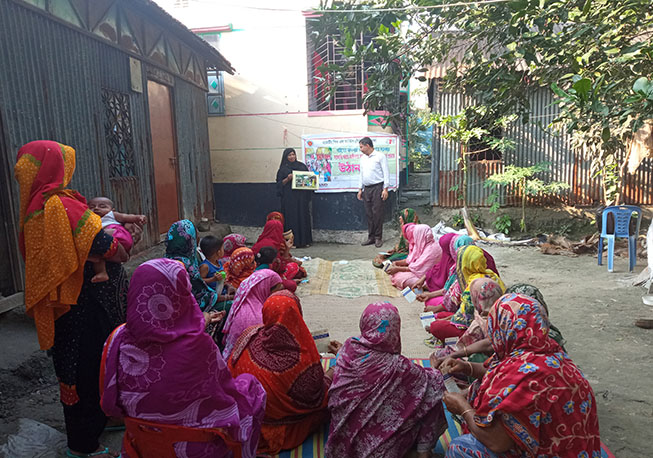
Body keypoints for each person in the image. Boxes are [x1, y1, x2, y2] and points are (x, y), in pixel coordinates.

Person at [15, 140, 129, 458]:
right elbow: (112, 249)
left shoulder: (33, 212)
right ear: (55, 168)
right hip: (85, 305)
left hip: (66, 305)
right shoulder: (62, 206)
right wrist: (119, 247)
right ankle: (83, 444)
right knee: (88, 367)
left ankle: (95, 424)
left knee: (73, 366)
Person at [100, 259, 266, 458]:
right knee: (253, 389)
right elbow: (225, 398)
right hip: (194, 448)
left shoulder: (117, 339)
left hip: (142, 444)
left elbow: (110, 405)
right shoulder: (198, 346)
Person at [442, 293, 601, 457]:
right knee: (479, 386)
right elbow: (498, 373)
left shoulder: (526, 373)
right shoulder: (551, 353)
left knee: (461, 448)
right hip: (576, 448)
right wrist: (467, 367)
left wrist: (463, 408)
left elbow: (497, 442)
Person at [326, 302, 447, 458]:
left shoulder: (349, 348)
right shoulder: (400, 367)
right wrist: (436, 368)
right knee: (432, 389)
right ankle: (423, 452)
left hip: (343, 445)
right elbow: (434, 382)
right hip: (381, 451)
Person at [228, 293, 331, 454]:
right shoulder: (303, 359)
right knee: (333, 386)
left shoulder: (249, 335)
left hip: (248, 419)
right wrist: (332, 372)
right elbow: (315, 398)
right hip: (288, 427)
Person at [428, 245, 505, 343]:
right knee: (441, 316)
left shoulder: (474, 285)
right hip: (492, 322)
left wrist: (443, 321)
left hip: (480, 328)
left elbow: (466, 319)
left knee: (436, 326)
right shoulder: (492, 275)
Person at [221, 269, 283, 358]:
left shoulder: (244, 305)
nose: (278, 295)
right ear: (264, 289)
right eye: (277, 291)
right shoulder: (257, 316)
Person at [165, 220, 218, 312]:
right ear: (190, 239)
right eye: (196, 235)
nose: (198, 239)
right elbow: (203, 297)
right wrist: (228, 297)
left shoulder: (165, 260)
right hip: (186, 312)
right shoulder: (187, 267)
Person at [276, 148, 313, 248]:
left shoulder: (301, 166)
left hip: (301, 199)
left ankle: (305, 241)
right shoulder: (283, 169)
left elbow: (310, 181)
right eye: (289, 155)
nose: (292, 157)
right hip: (289, 200)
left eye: (293, 154)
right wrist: (287, 179)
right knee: (291, 219)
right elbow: (279, 185)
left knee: (303, 217)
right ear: (285, 157)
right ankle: (292, 242)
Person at [357, 137, 390, 248]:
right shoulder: (362, 159)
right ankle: (370, 237)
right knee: (369, 214)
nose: (360, 149)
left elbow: (386, 173)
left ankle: (378, 237)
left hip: (377, 188)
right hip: (367, 189)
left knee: (377, 213)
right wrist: (360, 189)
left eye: (361, 147)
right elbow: (362, 174)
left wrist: (385, 189)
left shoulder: (380, 156)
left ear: (367, 145)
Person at [387, 223, 442, 289]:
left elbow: (420, 270)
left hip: (428, 277)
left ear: (419, 235)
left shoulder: (433, 250)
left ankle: (427, 286)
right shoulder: (422, 245)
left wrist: (398, 268)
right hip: (418, 272)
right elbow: (411, 260)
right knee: (397, 273)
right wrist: (397, 263)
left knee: (401, 278)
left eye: (415, 235)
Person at [199, 235, 235, 304]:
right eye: (222, 249)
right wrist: (213, 279)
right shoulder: (205, 266)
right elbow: (200, 281)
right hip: (213, 295)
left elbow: (223, 280)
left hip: (222, 290)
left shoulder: (218, 263)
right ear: (218, 252)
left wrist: (228, 286)